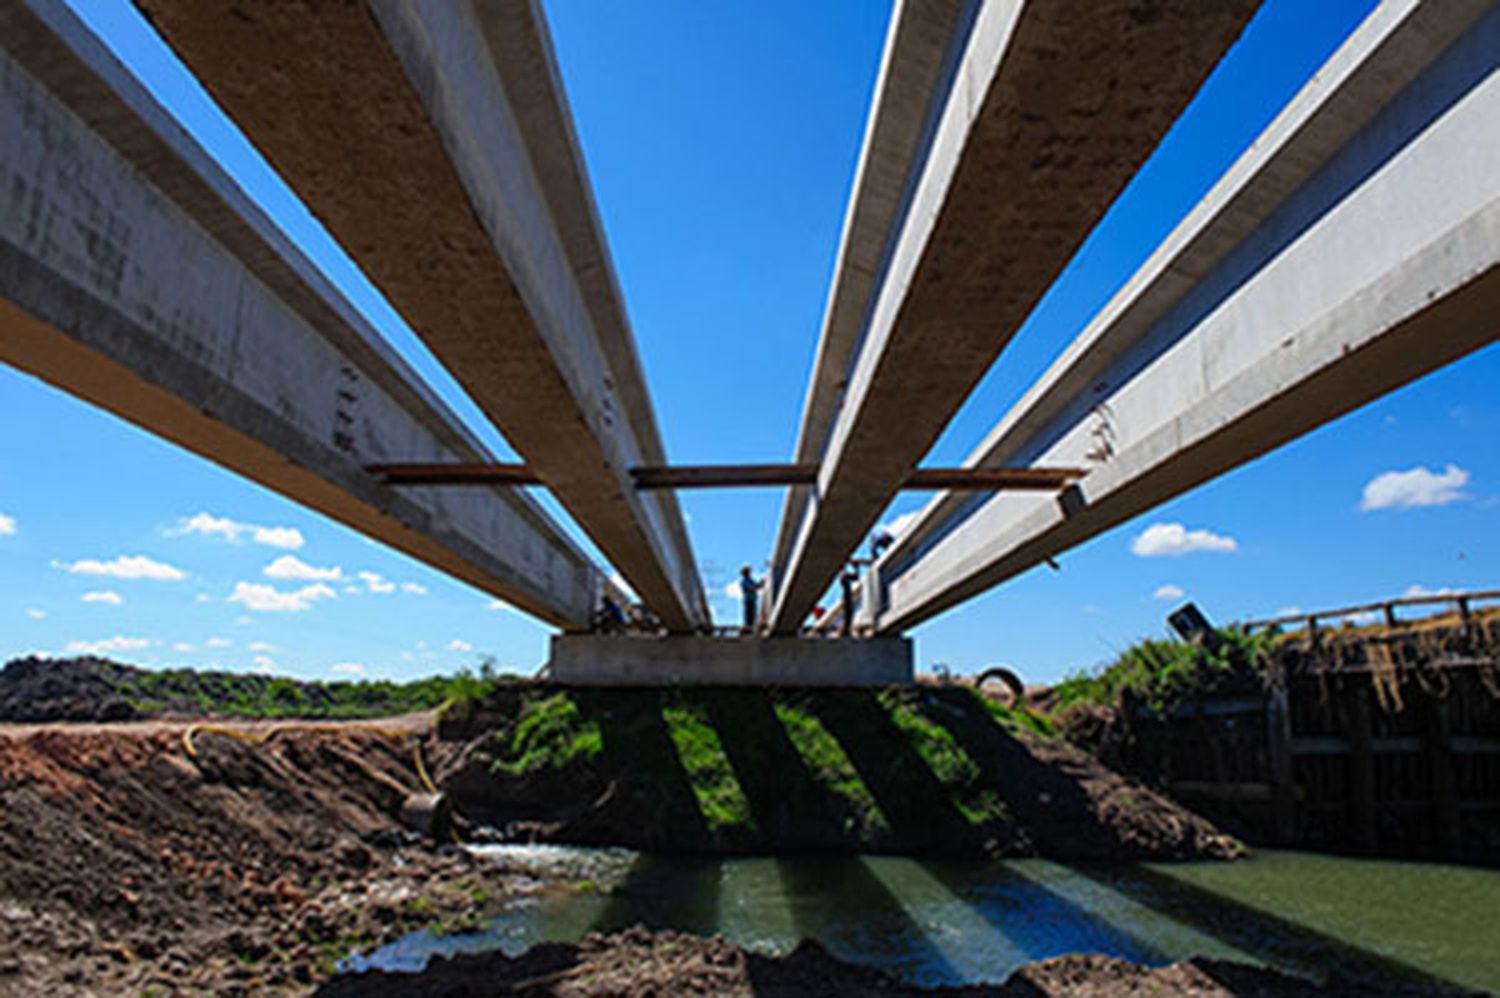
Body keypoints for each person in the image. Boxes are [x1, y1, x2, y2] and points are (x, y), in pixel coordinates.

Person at [738, 565, 763, 635]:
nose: (749, 573)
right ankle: (748, 629)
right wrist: (758, 586)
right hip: (748, 600)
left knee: (753, 615)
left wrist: (761, 583)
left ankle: (751, 628)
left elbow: (756, 586)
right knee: (748, 615)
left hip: (752, 600)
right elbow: (750, 589)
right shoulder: (744, 582)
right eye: (748, 572)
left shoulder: (751, 580)